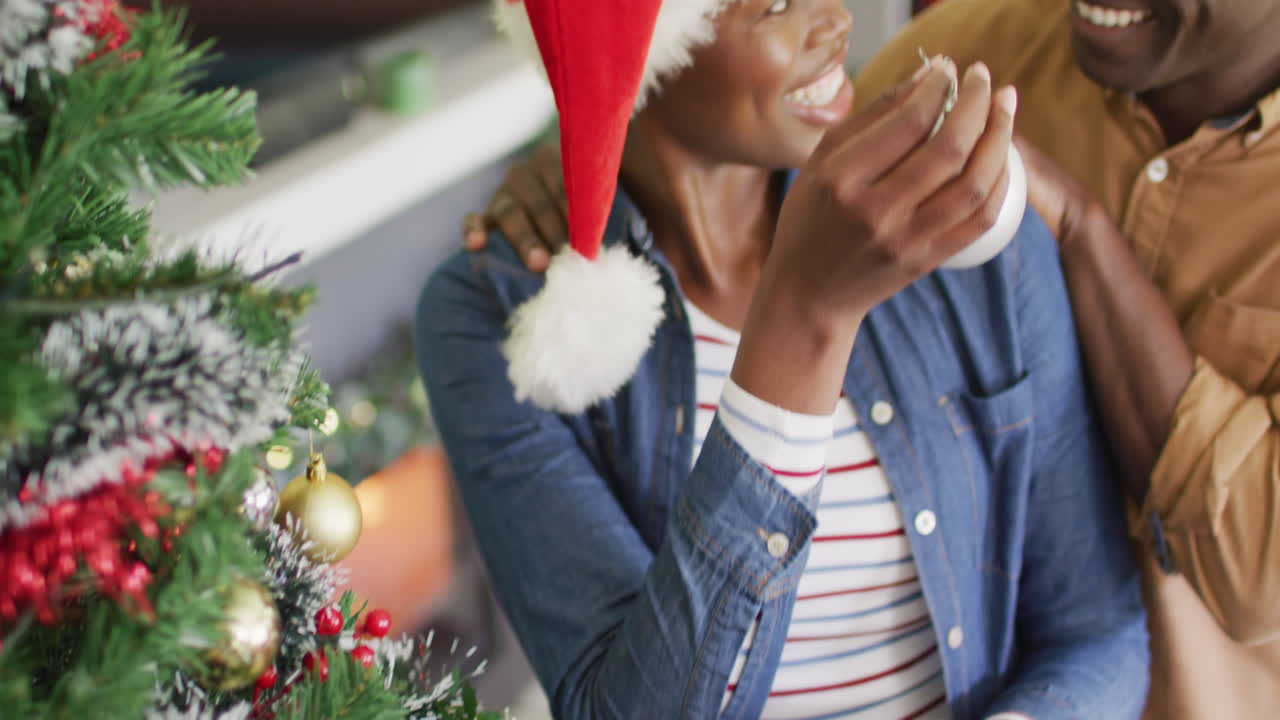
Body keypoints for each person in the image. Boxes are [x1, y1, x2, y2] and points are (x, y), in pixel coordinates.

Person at [466, 0, 1280, 716]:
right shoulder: (977, 45)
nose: (841, 20)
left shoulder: (986, 229)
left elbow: (1216, 583)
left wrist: (1077, 226)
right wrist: (592, 138)